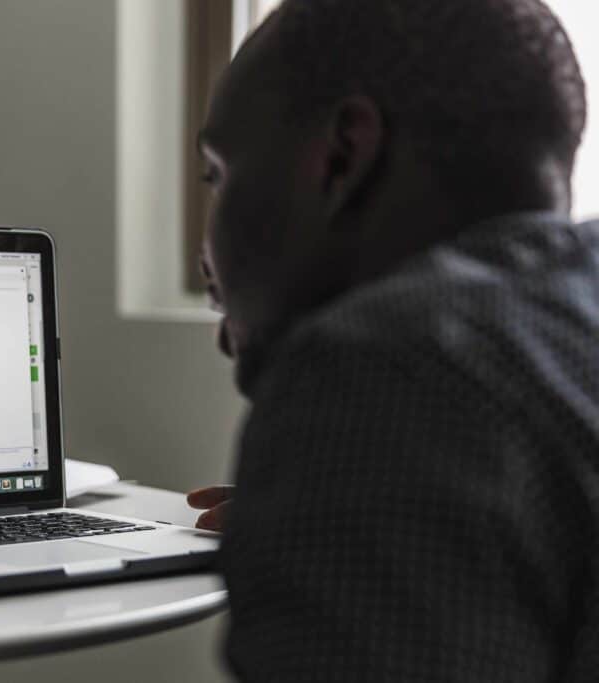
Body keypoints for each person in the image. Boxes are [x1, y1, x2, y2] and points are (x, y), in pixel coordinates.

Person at [185, 0, 598, 680]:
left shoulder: (383, 374)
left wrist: (346, 457)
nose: (207, 252)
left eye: (219, 175)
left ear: (342, 153)